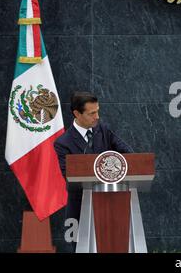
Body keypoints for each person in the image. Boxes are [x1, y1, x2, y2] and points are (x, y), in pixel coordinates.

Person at [54, 91, 134, 250]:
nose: (97, 116)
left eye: (98, 111)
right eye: (92, 113)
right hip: (79, 204)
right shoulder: (63, 142)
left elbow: (127, 153)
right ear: (77, 113)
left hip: (109, 200)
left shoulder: (103, 130)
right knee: (77, 246)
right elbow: (68, 175)